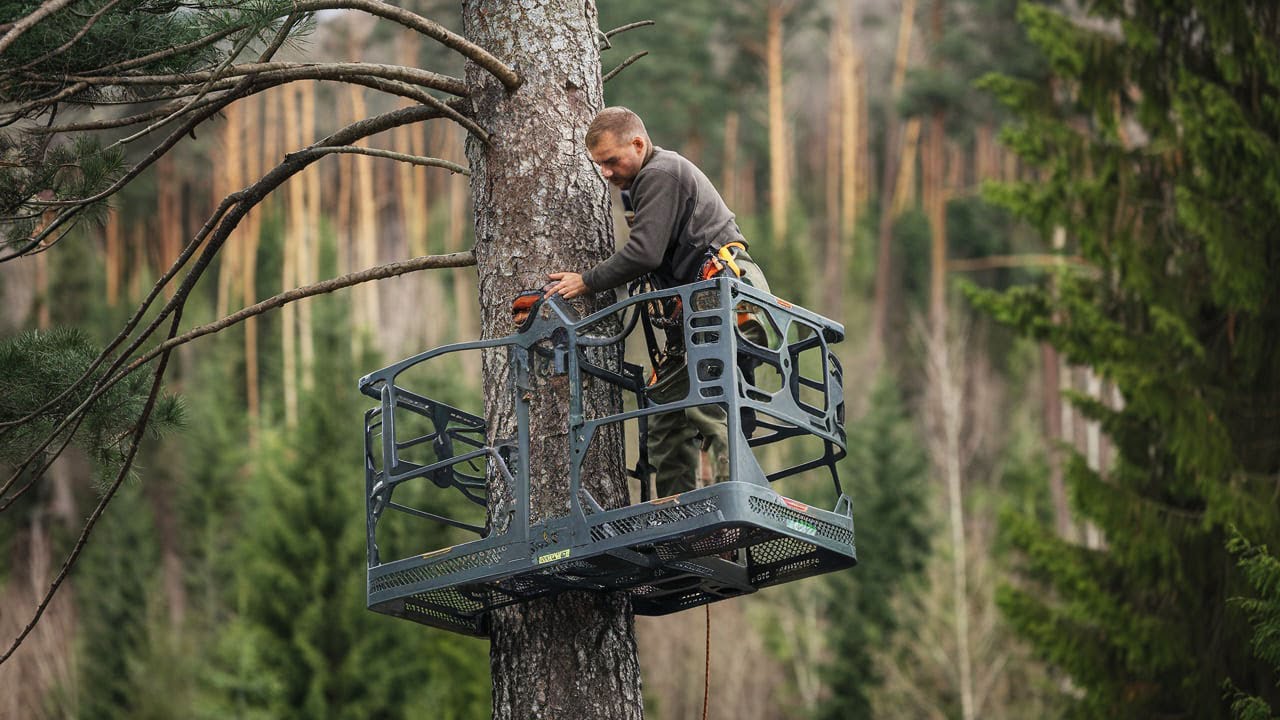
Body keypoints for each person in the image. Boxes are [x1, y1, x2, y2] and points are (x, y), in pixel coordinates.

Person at [544, 106, 771, 498]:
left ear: (638, 143)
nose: (607, 173)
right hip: (699, 307)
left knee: (707, 404)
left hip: (723, 293)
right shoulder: (641, 185)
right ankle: (677, 511)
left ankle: (733, 503)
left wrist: (587, 281)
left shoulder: (660, 173)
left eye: (611, 161)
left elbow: (644, 253)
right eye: (600, 164)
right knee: (666, 413)